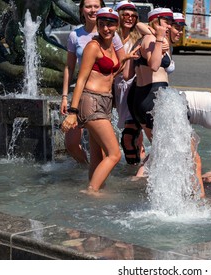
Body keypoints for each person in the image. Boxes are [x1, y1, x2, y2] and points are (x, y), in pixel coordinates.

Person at [61, 8, 140, 195]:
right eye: (102, 24)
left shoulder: (112, 44)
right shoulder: (93, 46)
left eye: (110, 24)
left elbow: (109, 74)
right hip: (91, 101)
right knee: (114, 154)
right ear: (97, 25)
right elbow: (81, 79)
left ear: (117, 25)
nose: (106, 28)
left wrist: (125, 59)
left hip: (104, 102)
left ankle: (96, 188)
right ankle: (91, 190)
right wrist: (73, 112)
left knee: (98, 154)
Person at [61, 0, 125, 164]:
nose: (92, 10)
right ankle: (86, 169)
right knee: (71, 144)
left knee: (101, 148)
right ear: (82, 10)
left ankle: (95, 179)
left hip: (101, 97)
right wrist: (64, 97)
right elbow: (69, 67)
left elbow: (120, 62)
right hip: (81, 94)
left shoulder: (110, 32)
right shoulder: (75, 35)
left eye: (96, 6)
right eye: (88, 6)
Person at [126, 8, 173, 142]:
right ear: (155, 22)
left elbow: (127, 75)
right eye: (166, 22)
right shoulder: (153, 40)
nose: (169, 25)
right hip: (154, 96)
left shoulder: (138, 41)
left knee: (157, 150)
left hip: (139, 99)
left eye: (171, 22)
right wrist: (158, 39)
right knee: (164, 149)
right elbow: (154, 66)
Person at [113, 1, 145, 165]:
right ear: (118, 15)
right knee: (134, 134)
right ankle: (138, 164)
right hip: (116, 87)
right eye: (126, 14)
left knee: (129, 135)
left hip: (134, 87)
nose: (130, 18)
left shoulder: (138, 38)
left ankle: (133, 168)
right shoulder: (111, 36)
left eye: (134, 16)